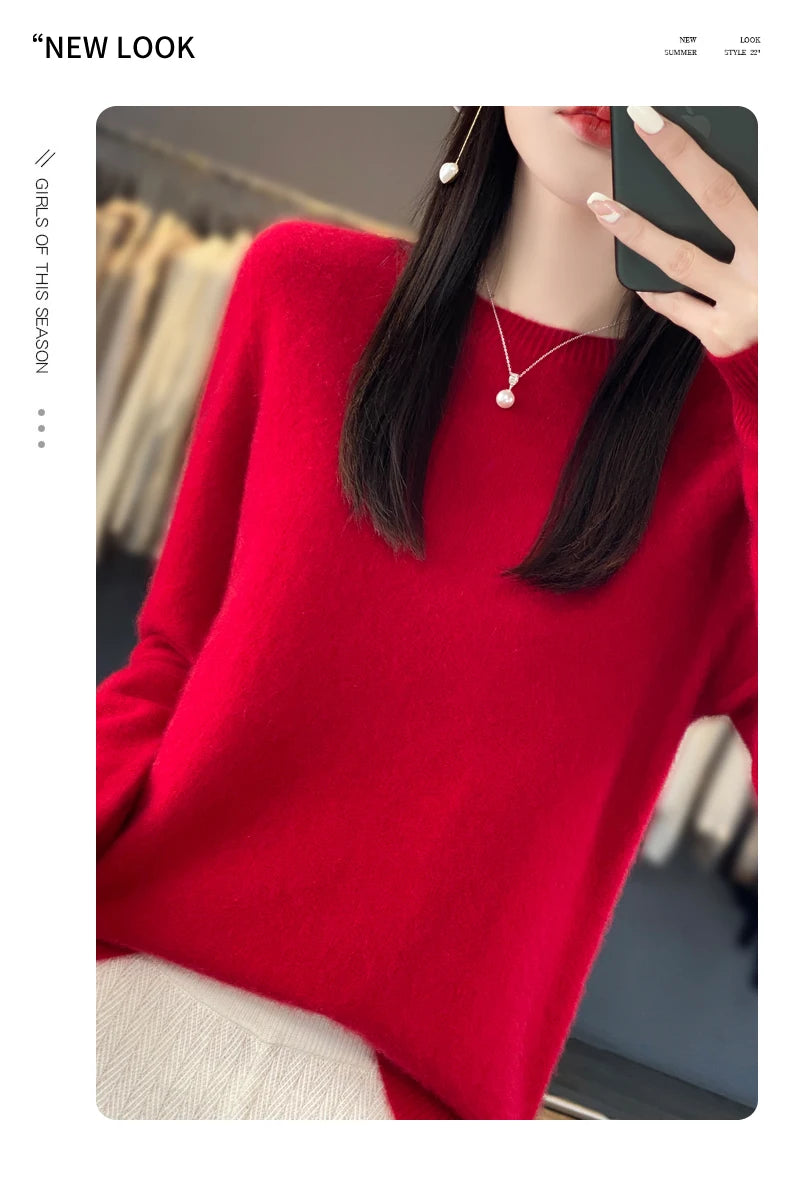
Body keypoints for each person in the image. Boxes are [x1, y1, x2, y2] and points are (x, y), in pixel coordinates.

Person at [96, 106, 757, 1120]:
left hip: (405, 1105)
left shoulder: (739, 456)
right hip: (112, 1000)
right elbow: (173, 654)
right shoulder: (301, 287)